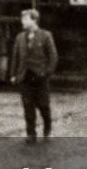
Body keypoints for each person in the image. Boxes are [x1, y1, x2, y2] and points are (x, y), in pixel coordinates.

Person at [10, 8, 58, 142]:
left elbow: (53, 56)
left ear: (34, 20)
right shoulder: (20, 37)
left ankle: (47, 130)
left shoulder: (46, 35)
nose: (22, 22)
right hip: (25, 77)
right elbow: (15, 56)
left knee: (43, 105)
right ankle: (31, 134)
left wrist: (47, 73)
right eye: (22, 19)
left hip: (40, 77)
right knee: (28, 106)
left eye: (25, 19)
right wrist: (13, 74)